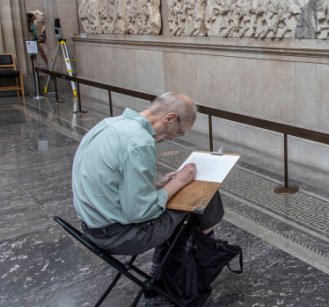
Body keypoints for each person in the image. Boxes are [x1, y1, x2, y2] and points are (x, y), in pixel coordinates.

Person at [72, 92, 224, 272]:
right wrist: (178, 183)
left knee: (178, 195)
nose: (174, 137)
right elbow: (140, 212)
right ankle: (208, 250)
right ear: (170, 118)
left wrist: (159, 185)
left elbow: (114, 184)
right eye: (180, 131)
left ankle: (165, 263)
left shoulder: (108, 124)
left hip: (91, 227)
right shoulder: (140, 143)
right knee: (200, 191)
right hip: (121, 236)